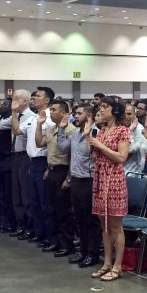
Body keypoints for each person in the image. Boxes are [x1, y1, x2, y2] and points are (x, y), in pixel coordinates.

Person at [89, 96, 130, 281]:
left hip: (114, 179)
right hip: (99, 177)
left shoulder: (122, 131)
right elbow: (96, 157)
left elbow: (121, 157)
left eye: (105, 107)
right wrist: (90, 142)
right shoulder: (102, 130)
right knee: (104, 225)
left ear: (114, 110)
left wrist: (100, 145)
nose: (101, 110)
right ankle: (106, 263)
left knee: (115, 225)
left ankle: (117, 265)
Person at [58, 104, 102, 268]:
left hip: (88, 180)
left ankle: (93, 253)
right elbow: (62, 147)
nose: (75, 116)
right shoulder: (76, 134)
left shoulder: (95, 133)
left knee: (90, 220)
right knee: (79, 219)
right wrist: (61, 130)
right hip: (76, 180)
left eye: (79, 113)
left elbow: (95, 157)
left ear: (89, 115)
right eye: (75, 114)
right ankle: (82, 251)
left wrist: (88, 135)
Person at [12, 86, 55, 245]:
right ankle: (39, 232)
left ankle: (50, 236)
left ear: (47, 100)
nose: (34, 98)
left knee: (45, 202)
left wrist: (48, 166)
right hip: (32, 162)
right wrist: (14, 113)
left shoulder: (51, 118)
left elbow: (52, 144)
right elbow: (16, 131)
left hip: (44, 161)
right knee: (34, 201)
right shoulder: (32, 118)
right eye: (34, 96)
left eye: (37, 96)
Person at [0, 90, 36, 238]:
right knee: (16, 193)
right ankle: (20, 224)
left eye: (15, 99)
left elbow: (19, 133)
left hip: (25, 157)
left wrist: (14, 114)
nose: (12, 101)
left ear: (24, 101)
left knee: (26, 194)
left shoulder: (31, 117)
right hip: (14, 157)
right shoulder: (14, 116)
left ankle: (30, 226)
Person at [35, 100, 76, 257]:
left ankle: (67, 244)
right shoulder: (52, 129)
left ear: (64, 113)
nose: (50, 112)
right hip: (52, 171)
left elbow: (72, 155)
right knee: (51, 208)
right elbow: (39, 143)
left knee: (63, 211)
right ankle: (55, 241)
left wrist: (69, 177)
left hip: (63, 172)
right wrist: (39, 124)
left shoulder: (70, 130)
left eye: (54, 110)